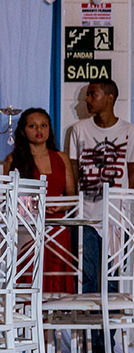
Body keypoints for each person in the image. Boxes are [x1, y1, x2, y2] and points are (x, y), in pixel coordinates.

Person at [67, 80, 134, 353]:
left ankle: (104, 343)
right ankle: (90, 343)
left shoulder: (129, 131)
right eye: (87, 94)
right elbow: (73, 169)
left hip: (114, 218)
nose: (87, 99)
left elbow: (132, 170)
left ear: (109, 97)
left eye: (93, 94)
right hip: (86, 216)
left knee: (110, 280)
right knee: (87, 279)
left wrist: (120, 204)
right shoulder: (79, 130)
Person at [3, 107, 78, 292]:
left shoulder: (61, 158)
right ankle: (29, 315)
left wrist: (59, 205)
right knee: (29, 274)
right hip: (27, 228)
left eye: (43, 125)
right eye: (32, 126)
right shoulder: (13, 159)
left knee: (57, 276)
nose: (39, 131)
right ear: (23, 130)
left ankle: (57, 316)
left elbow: (72, 196)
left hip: (58, 228)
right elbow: (7, 198)